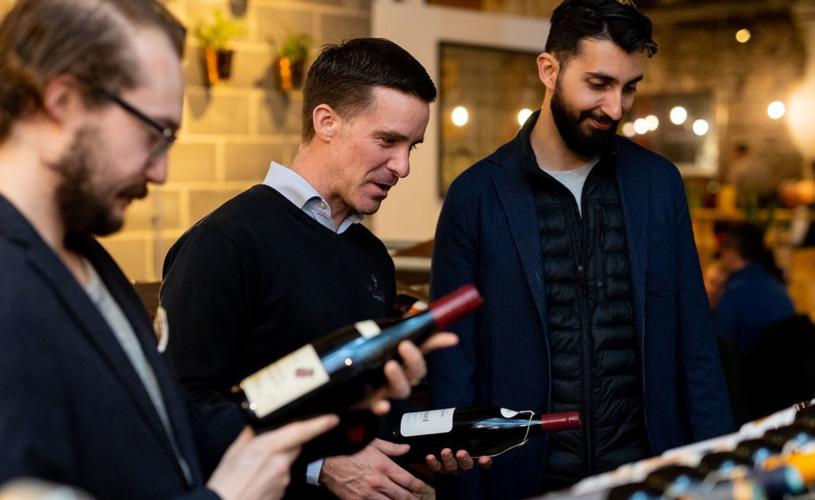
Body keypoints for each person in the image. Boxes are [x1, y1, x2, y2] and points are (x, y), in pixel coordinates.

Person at [0, 2, 425, 499]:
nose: (161, 172)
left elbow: (157, 432)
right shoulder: (15, 278)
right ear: (63, 102)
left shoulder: (87, 262)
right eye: (153, 132)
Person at [428, 0, 734, 497]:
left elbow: (696, 345)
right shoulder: (476, 196)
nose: (616, 108)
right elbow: (453, 362)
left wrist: (721, 476)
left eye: (629, 88)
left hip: (650, 477)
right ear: (549, 70)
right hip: (523, 481)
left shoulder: (659, 185)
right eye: (599, 84)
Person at [160, 38, 472, 499]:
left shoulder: (372, 257)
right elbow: (183, 408)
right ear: (326, 121)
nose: (403, 166)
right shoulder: (224, 242)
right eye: (387, 141)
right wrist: (318, 464)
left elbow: (359, 410)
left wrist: (424, 448)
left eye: (413, 146)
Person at [716, 222, 795, 356]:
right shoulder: (778, 288)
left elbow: (721, 348)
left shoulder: (734, 294)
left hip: (753, 366)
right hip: (788, 365)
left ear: (731, 252)